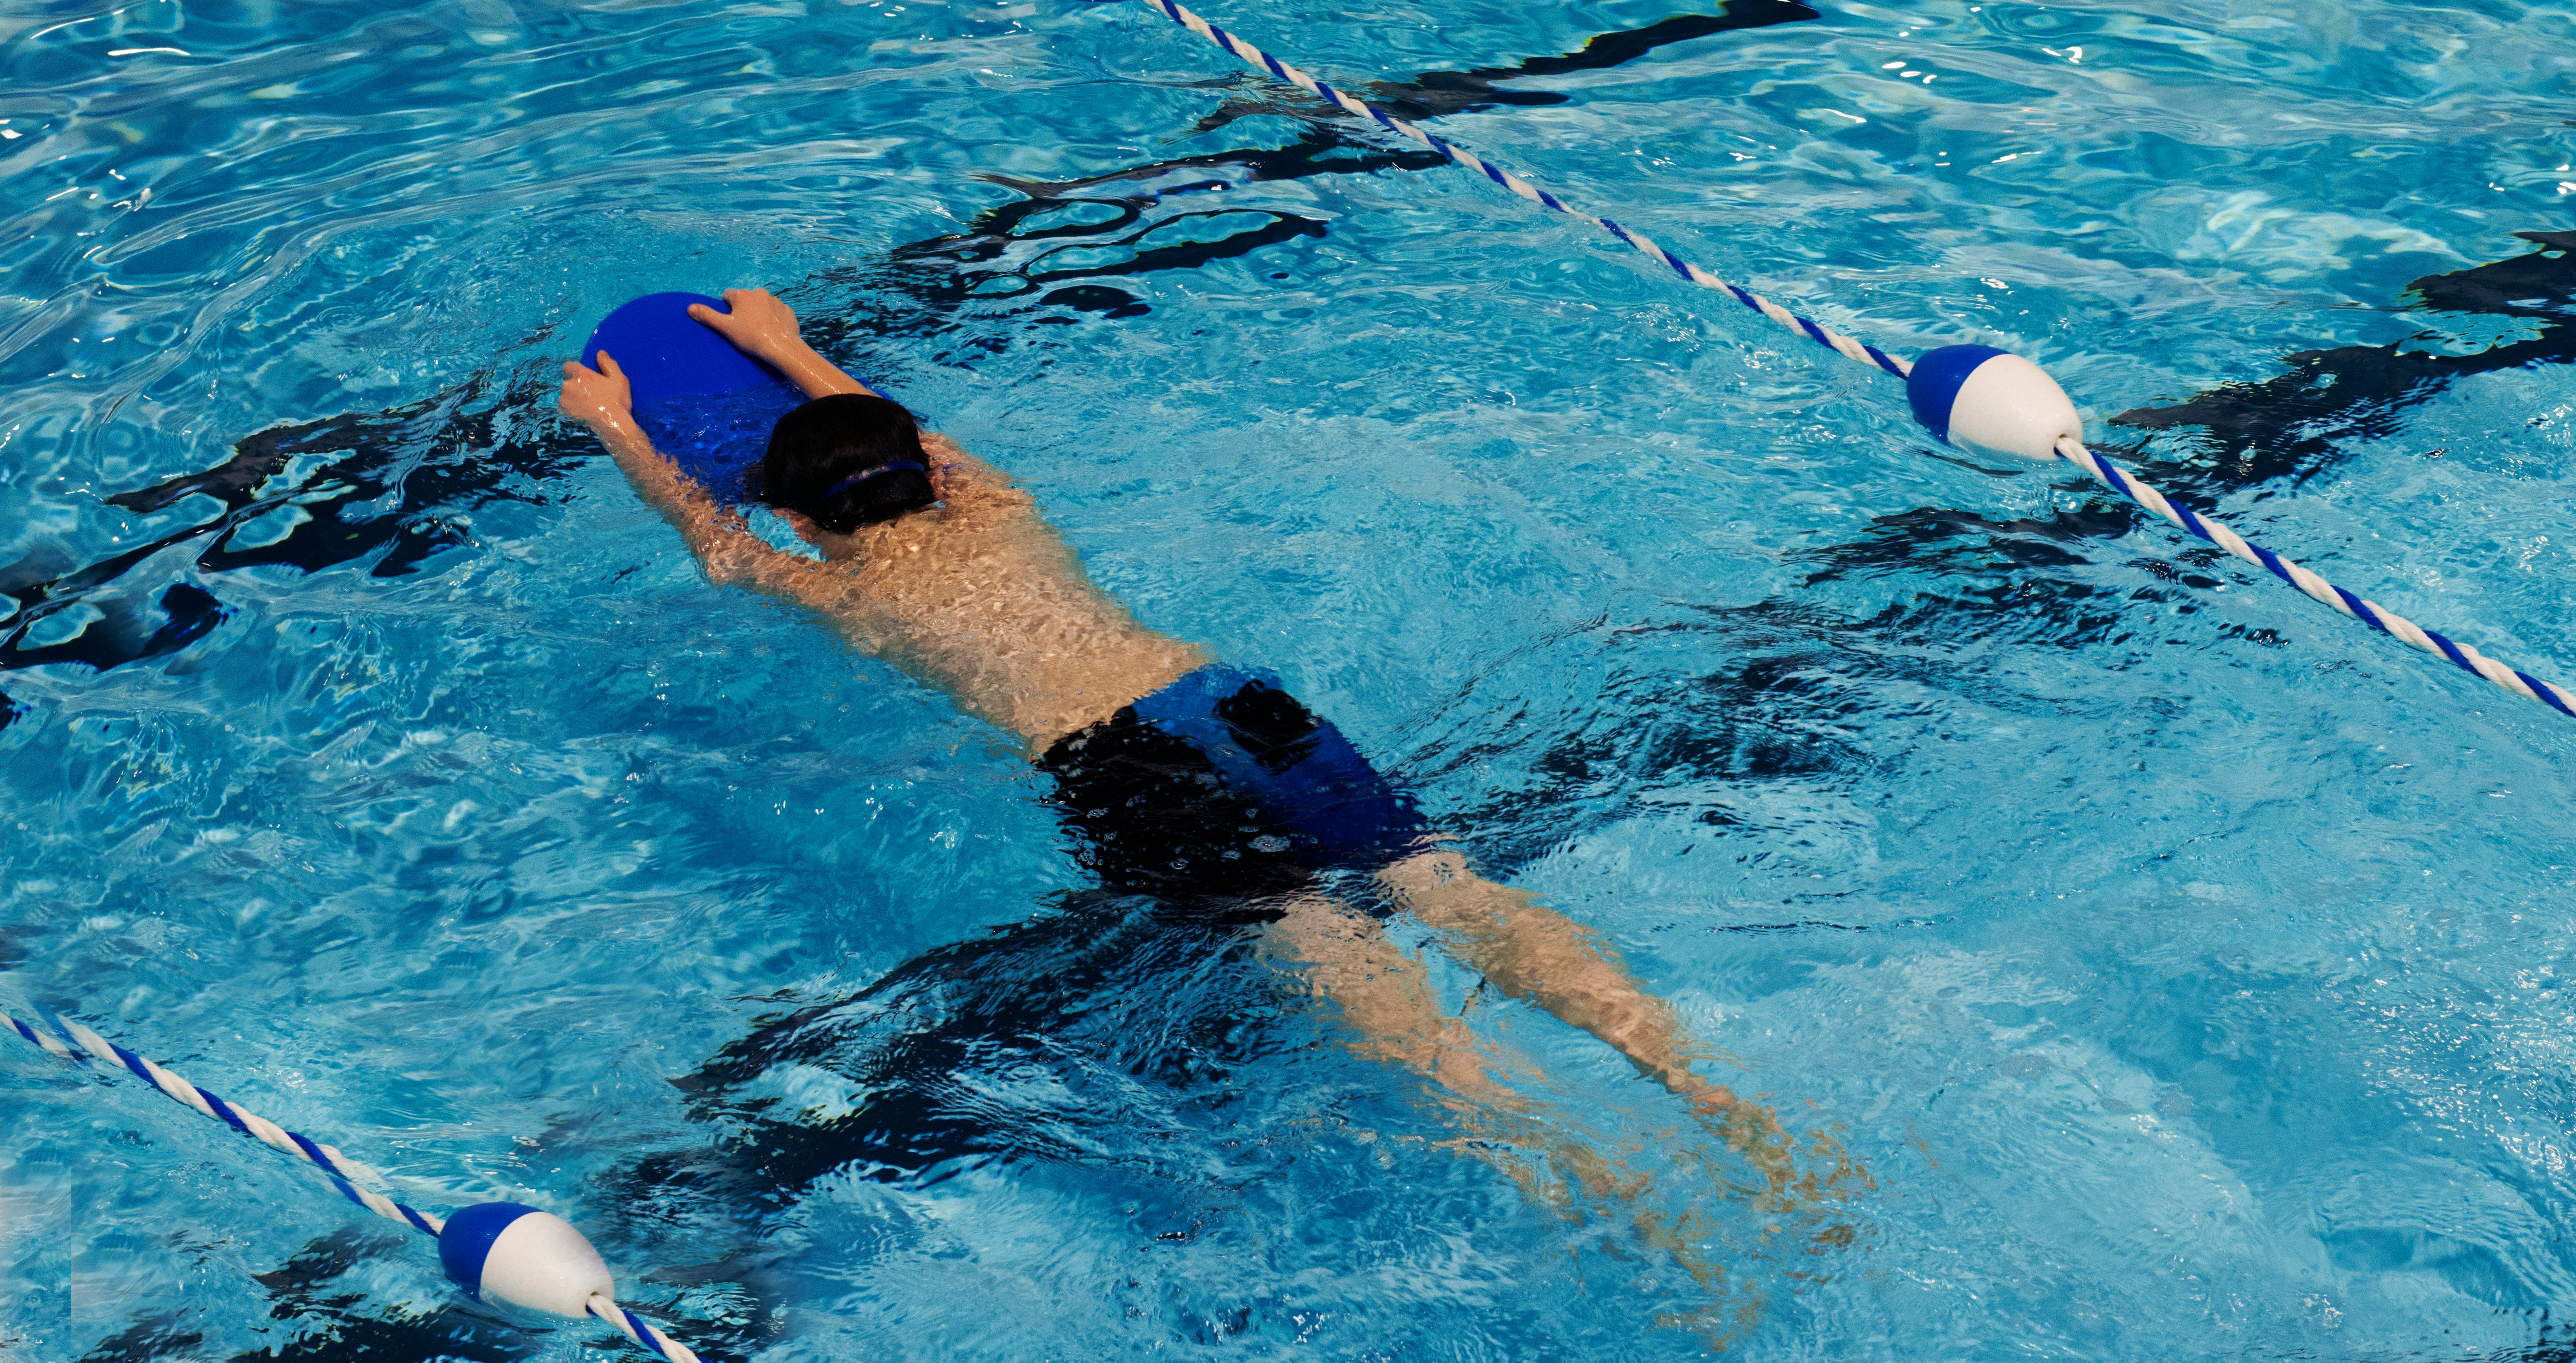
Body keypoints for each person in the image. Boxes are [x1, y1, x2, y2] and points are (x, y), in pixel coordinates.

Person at [556, 288, 1805, 1196]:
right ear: (928, 478)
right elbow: (908, 436)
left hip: (1121, 765)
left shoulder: (847, 591)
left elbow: (723, 554)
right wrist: (788, 348)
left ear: (800, 517)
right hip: (1233, 701)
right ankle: (1713, 1097)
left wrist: (619, 424)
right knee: (1442, 883)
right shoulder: (999, 506)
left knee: (1317, 939)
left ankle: (1585, 1173)